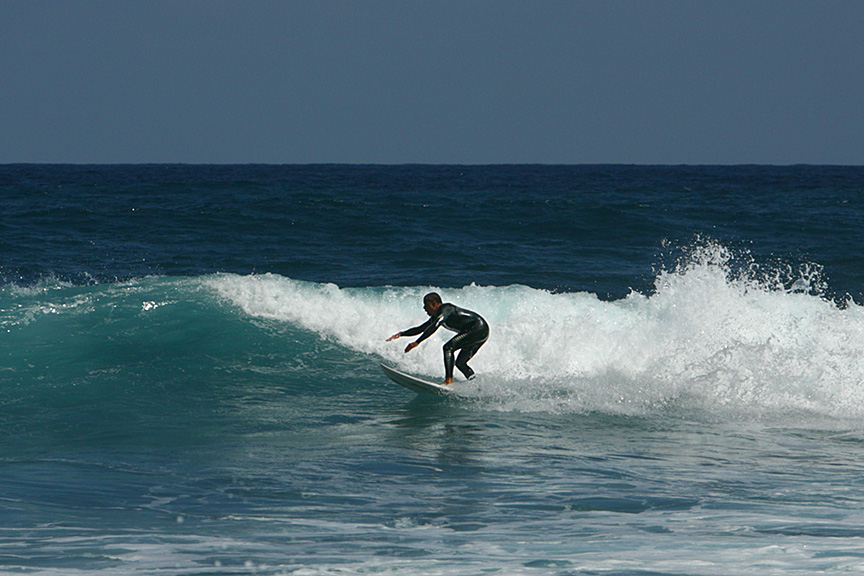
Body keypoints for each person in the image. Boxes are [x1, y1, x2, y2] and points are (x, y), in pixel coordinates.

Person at [387, 292, 489, 385]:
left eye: (426, 305)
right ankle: (477, 386)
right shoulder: (437, 316)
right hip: (481, 332)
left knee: (448, 347)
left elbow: (435, 325)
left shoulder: (446, 309)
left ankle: (448, 380)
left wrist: (417, 342)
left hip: (478, 329)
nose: (424, 308)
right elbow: (421, 328)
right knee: (460, 363)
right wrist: (401, 334)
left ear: (434, 304)